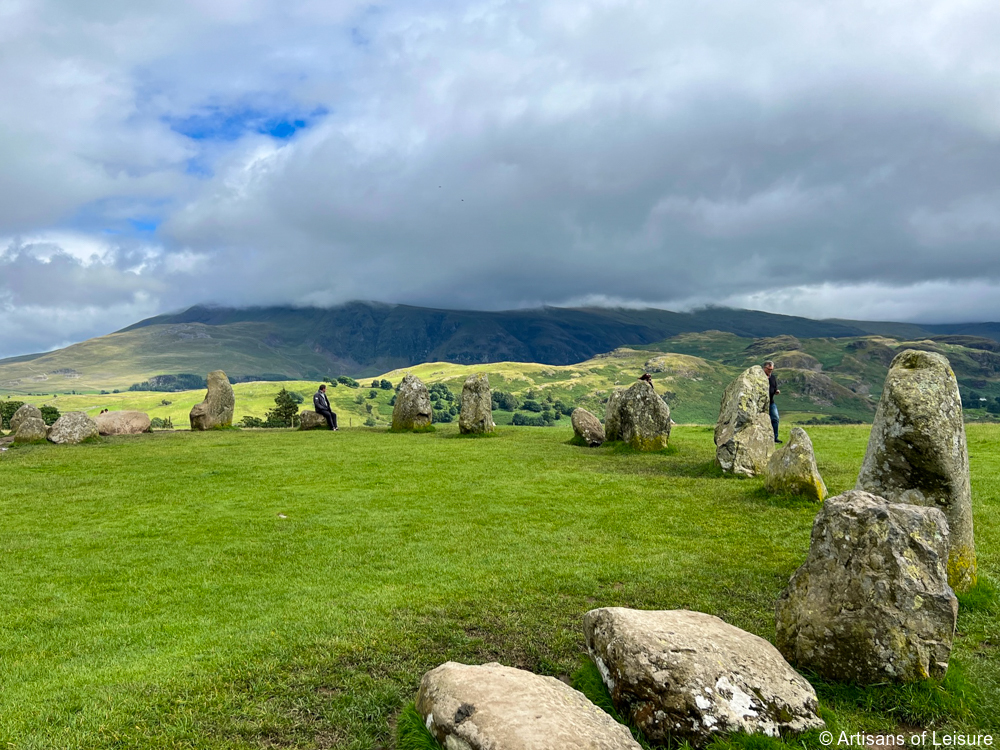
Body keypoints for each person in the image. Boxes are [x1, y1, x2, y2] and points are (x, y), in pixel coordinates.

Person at [763, 360, 780, 443]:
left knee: (775, 418)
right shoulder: (760, 377)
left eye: (771, 369)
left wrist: (776, 391)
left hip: (771, 402)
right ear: (764, 368)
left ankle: (774, 438)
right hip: (760, 403)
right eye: (769, 369)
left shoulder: (773, 377)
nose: (770, 371)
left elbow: (774, 387)